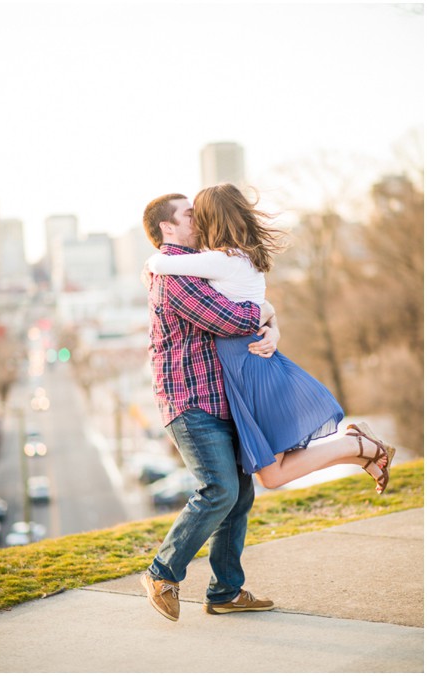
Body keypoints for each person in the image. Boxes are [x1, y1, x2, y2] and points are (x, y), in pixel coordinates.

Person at [146, 183, 395, 493]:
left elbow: (161, 263)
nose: (195, 223)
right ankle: (359, 452)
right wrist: (272, 323)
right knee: (281, 466)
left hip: (252, 370)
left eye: (198, 216)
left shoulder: (221, 260)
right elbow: (256, 306)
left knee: (274, 475)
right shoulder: (234, 257)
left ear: (212, 219)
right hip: (247, 368)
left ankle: (356, 445)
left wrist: (151, 265)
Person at [139, 192, 278, 623]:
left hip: (221, 398)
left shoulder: (198, 265)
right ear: (167, 227)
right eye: (189, 215)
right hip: (190, 399)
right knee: (219, 489)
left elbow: (245, 304)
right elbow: (232, 319)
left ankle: (225, 592)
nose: (199, 219)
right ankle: (162, 572)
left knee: (239, 497)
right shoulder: (174, 277)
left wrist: (272, 324)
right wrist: (265, 313)